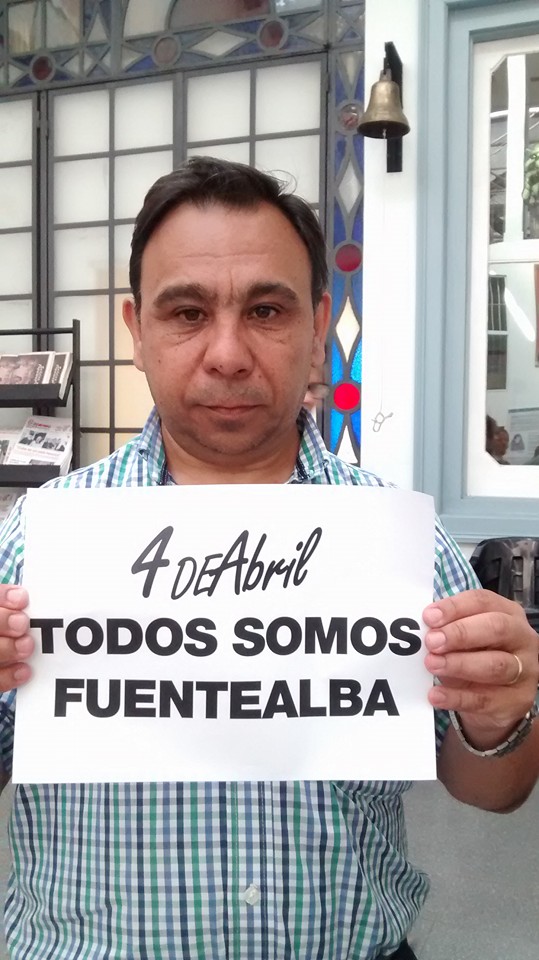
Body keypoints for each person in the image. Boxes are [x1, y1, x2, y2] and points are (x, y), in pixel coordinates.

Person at [0, 157, 537, 960]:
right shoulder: (41, 537)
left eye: (264, 310)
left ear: (317, 327)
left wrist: (500, 716)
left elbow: (492, 790)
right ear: (137, 330)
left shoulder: (397, 539)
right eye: (187, 312)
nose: (226, 353)